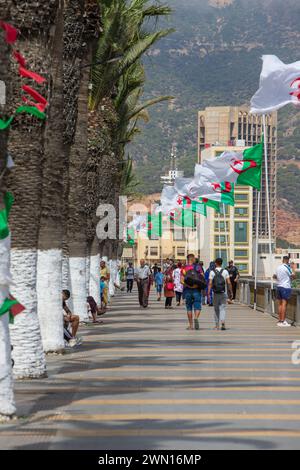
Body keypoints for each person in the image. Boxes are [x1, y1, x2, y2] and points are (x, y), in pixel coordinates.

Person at [181, 253, 206, 330]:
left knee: (189, 308)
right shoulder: (198, 267)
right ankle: (196, 317)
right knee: (197, 305)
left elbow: (181, 281)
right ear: (193, 259)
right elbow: (203, 277)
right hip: (196, 290)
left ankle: (191, 325)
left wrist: (189, 285)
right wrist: (196, 285)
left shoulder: (184, 268)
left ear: (188, 259)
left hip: (188, 290)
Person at [207, 258, 233, 331]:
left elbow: (210, 283)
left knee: (216, 309)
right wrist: (231, 292)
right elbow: (229, 283)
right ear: (222, 263)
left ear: (215, 263)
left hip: (215, 293)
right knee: (222, 309)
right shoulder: (225, 271)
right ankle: (223, 322)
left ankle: (216, 326)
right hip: (223, 293)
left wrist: (208, 293)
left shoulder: (212, 272)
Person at [274, 256, 296, 327]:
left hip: (279, 286)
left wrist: (281, 279)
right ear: (287, 261)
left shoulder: (278, 267)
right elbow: (293, 277)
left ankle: (280, 321)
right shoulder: (287, 267)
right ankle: (283, 321)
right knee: (284, 304)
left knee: (280, 304)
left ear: (282, 260)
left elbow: (274, 276)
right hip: (285, 287)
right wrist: (293, 268)